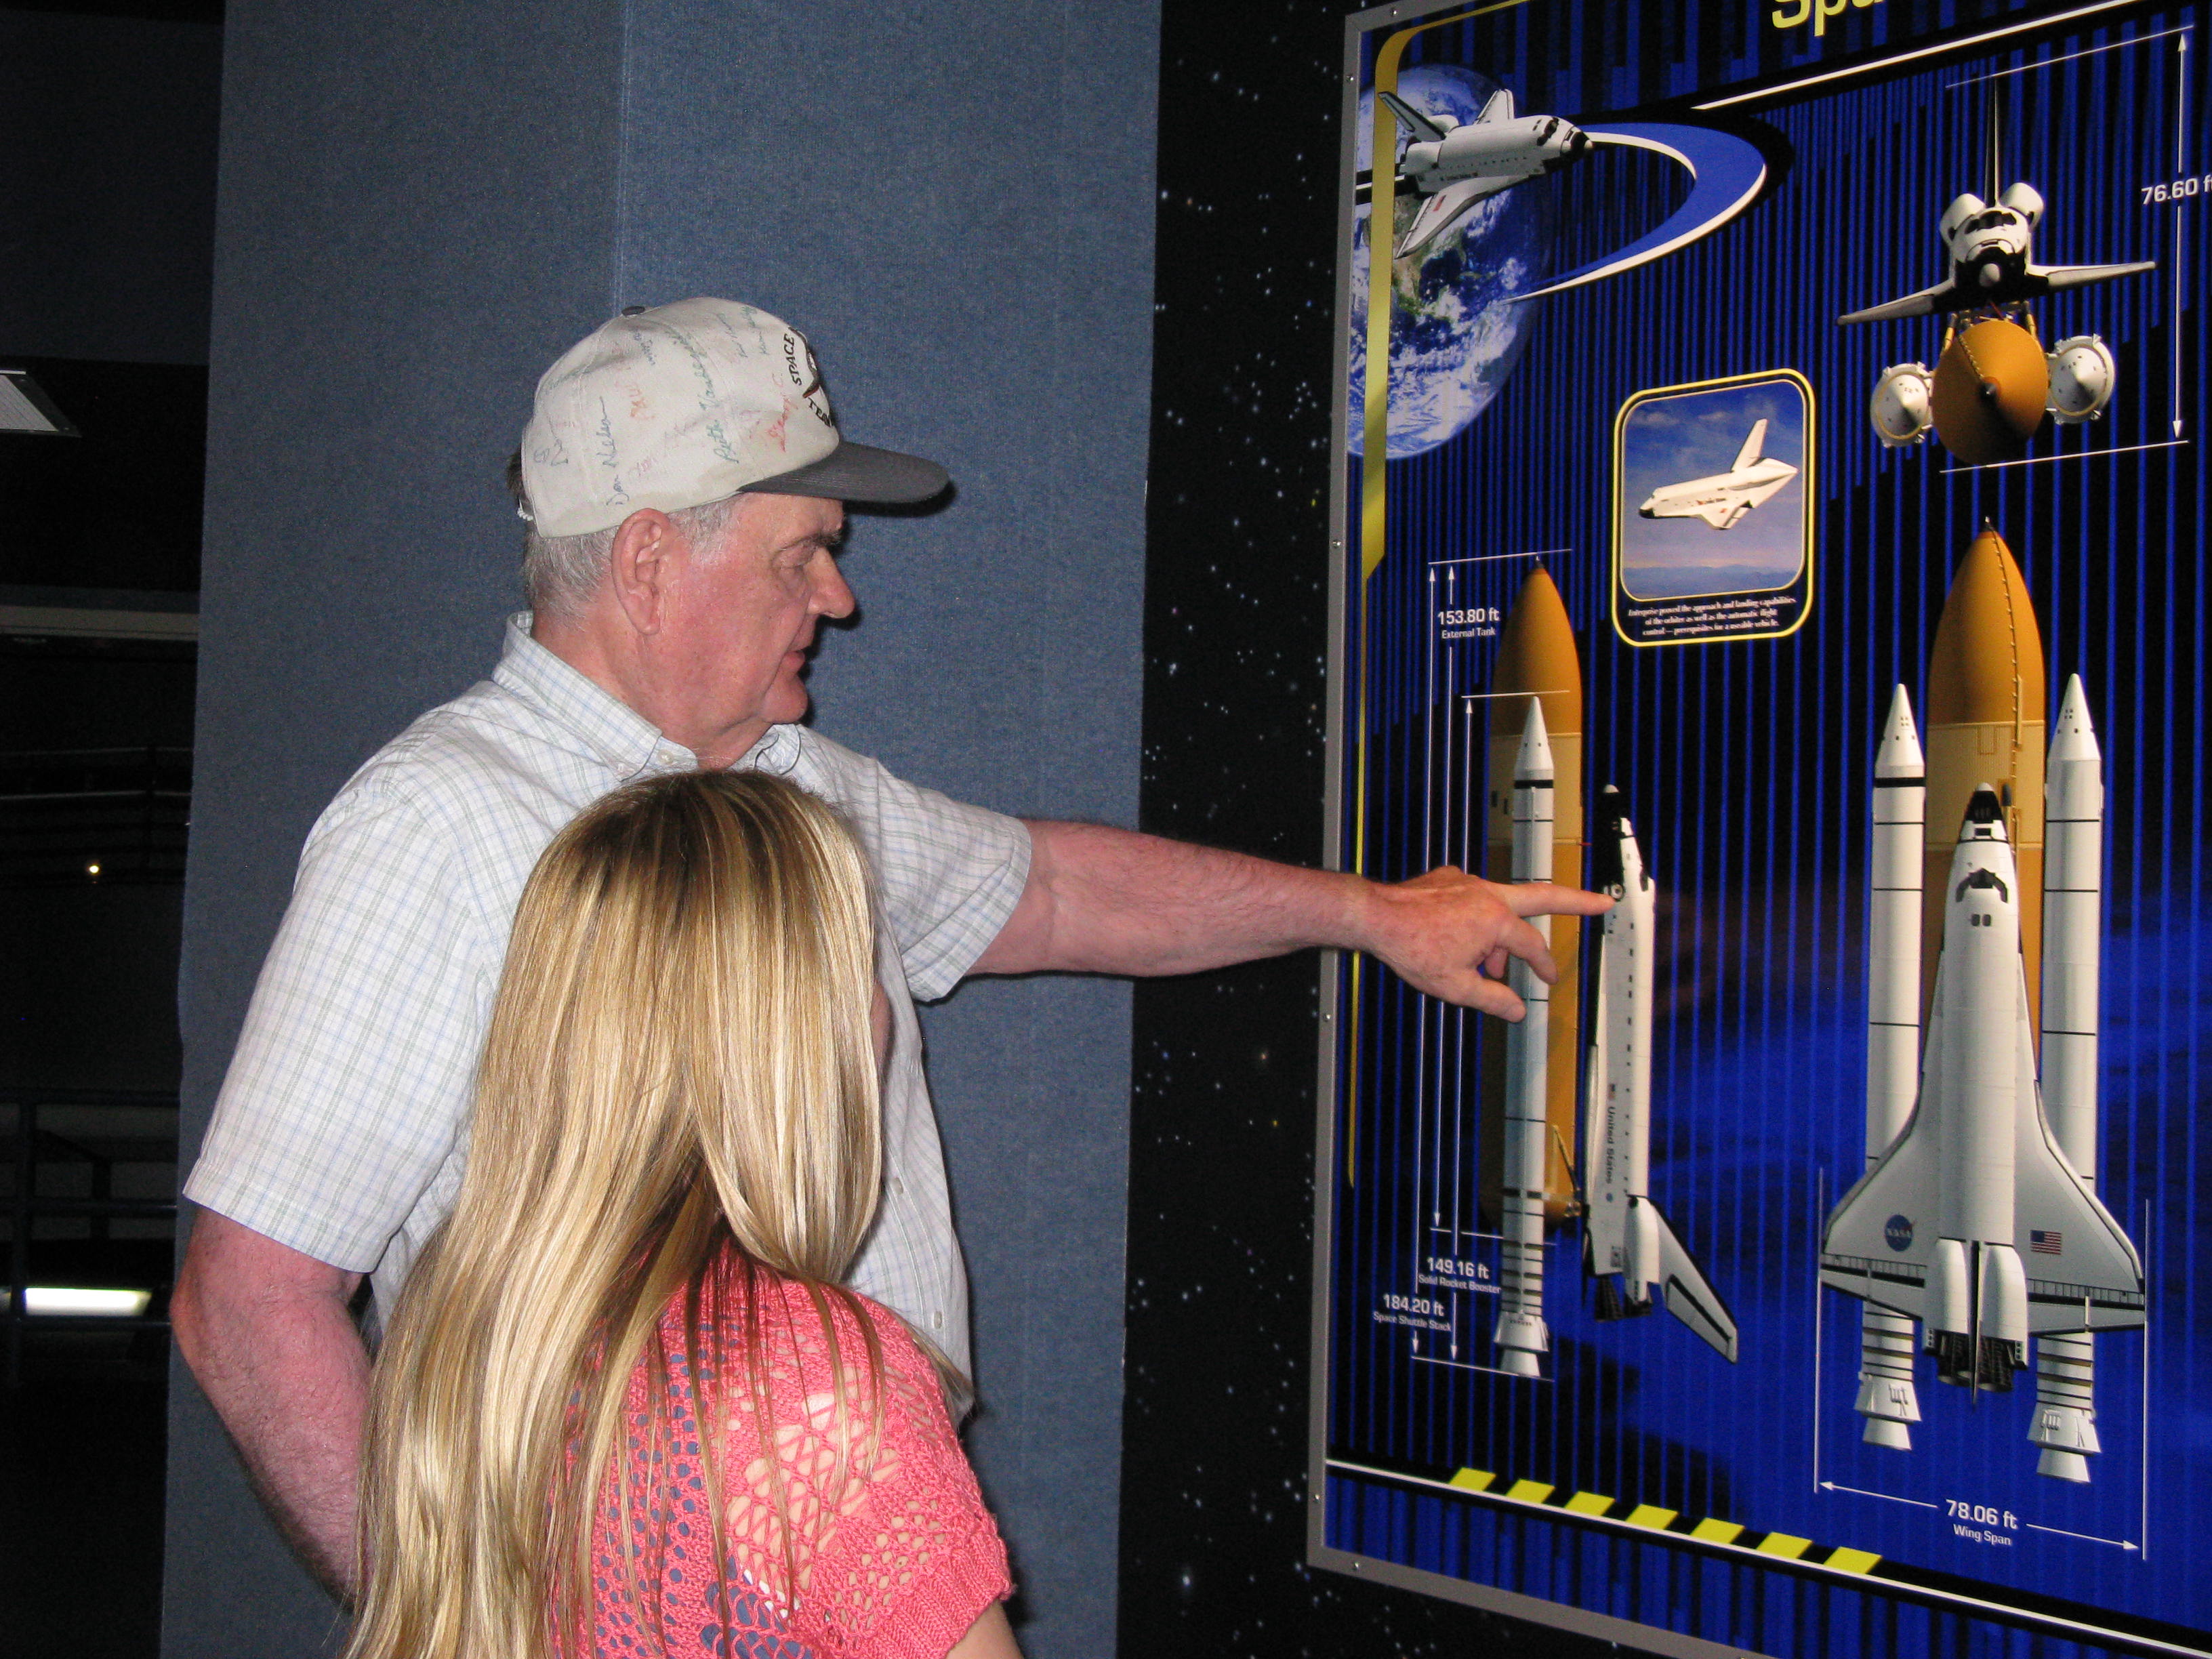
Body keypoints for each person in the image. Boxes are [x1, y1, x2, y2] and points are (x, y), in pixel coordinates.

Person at [171, 297, 1608, 1598]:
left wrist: (1372, 914)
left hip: (866, 1549)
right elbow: (250, 1300)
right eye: (802, 555)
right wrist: (454, 1624)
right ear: (651, 560)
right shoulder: (441, 823)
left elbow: (1051, 892)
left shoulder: (784, 786)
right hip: (645, 1597)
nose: (839, 599)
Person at [346, 769, 1018, 1659]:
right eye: (859, 964)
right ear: (793, 1030)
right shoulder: (808, 1378)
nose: (881, 1011)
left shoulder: (466, 1324)